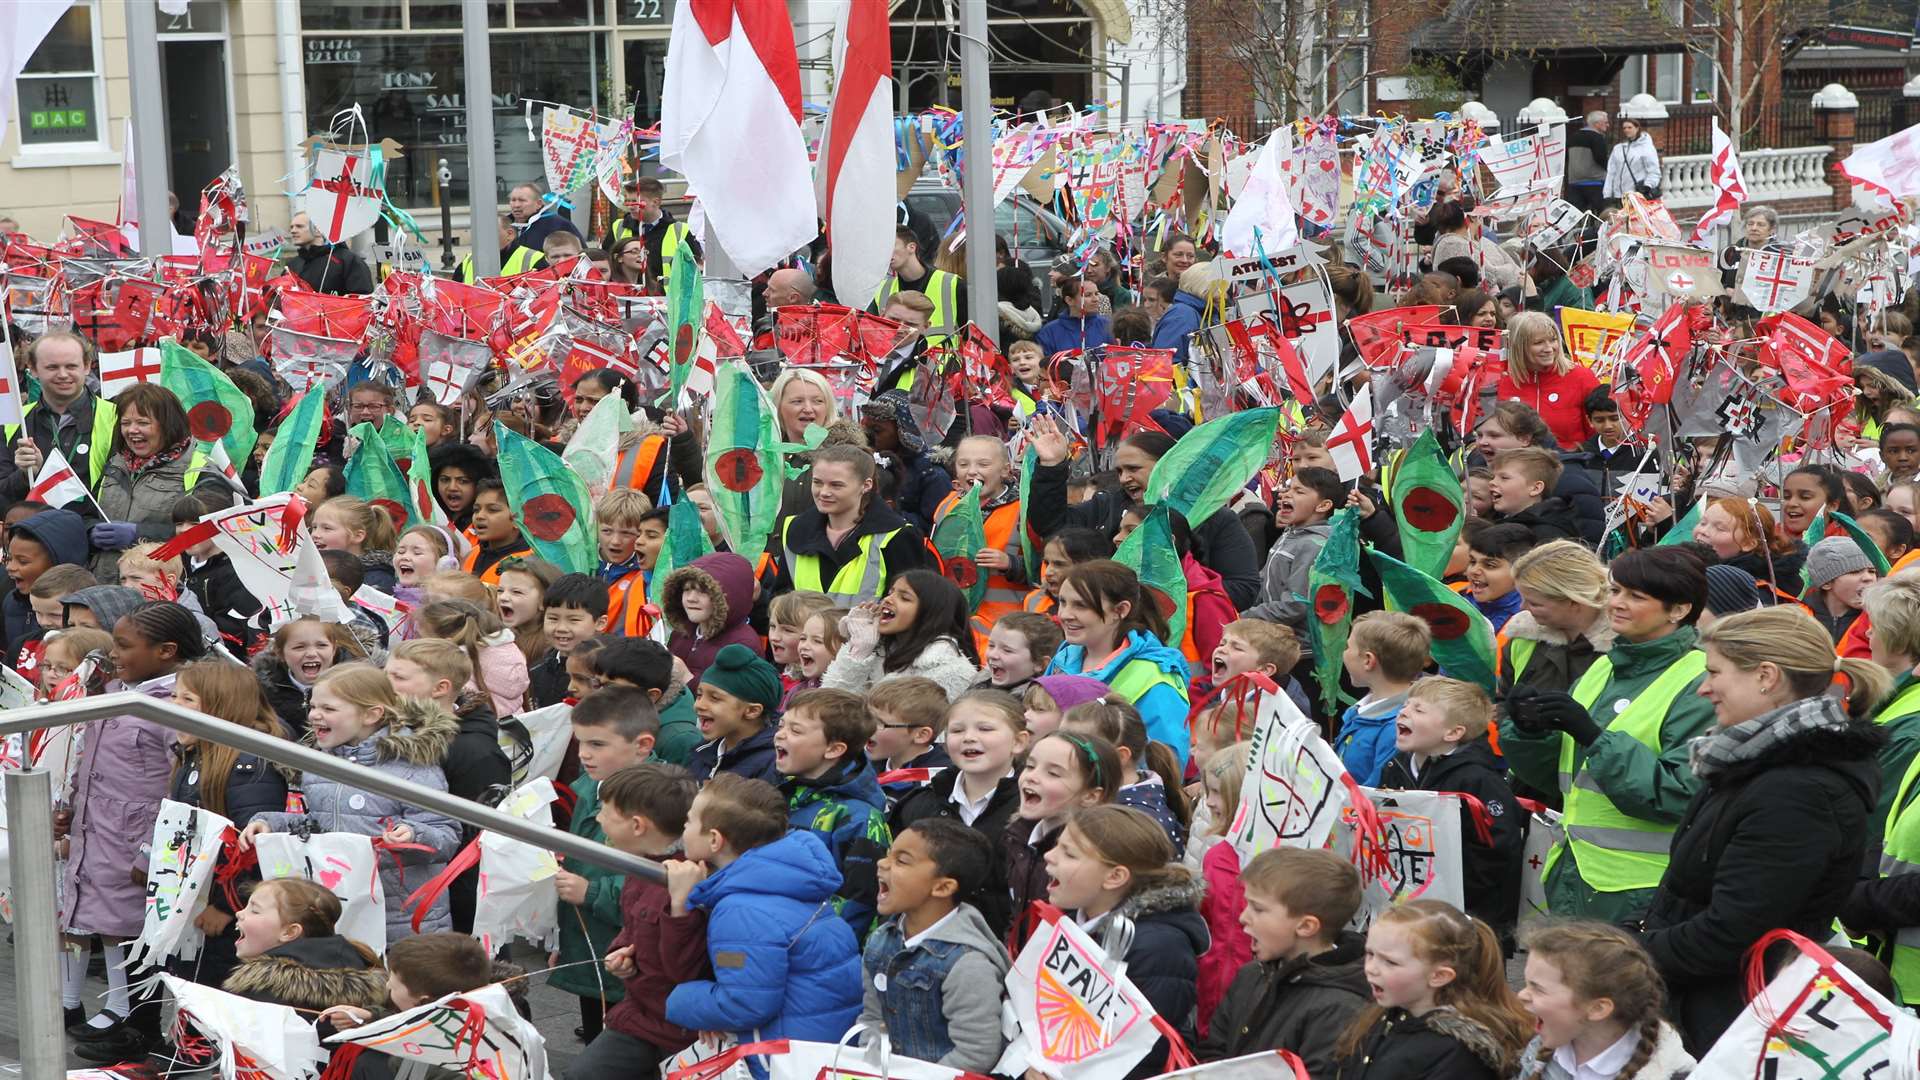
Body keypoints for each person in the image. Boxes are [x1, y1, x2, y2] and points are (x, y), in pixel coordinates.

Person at [1642, 606, 1888, 1051]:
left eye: (1715, 672)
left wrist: (1622, 952)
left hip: (1734, 1023)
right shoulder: (1751, 763)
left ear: (1766, 677)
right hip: (1708, 1008)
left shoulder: (1799, 790)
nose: (1703, 688)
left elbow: (1732, 934)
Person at [1500, 547, 1715, 922]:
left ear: (1678, 610)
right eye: (1615, 591)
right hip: (1575, 875)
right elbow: (1558, 779)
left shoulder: (1699, 680)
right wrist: (1528, 732)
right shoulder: (1602, 669)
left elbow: (1679, 794)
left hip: (1647, 890)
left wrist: (1595, 738)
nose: (1617, 603)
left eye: (1636, 596)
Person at [61, 602, 206, 1064]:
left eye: (124, 645)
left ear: (166, 651)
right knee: (105, 918)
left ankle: (139, 1022)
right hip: (97, 825)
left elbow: (177, 777)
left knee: (135, 926)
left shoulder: (172, 706)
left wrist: (152, 845)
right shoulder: (118, 691)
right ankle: (122, 1012)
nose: (113, 651)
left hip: (135, 832)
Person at [240, 664, 464, 941]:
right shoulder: (320, 763)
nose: (314, 715)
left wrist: (412, 835)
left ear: (371, 714)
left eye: (329, 709)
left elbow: (446, 833)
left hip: (400, 917)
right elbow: (322, 826)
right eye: (312, 706)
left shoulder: (412, 767)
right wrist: (271, 824)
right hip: (343, 906)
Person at [663, 773, 866, 1041]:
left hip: (784, 1056)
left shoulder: (742, 912)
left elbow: (744, 1004)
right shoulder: (790, 881)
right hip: (820, 1041)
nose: (684, 827)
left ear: (714, 840)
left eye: (689, 821)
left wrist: (678, 999)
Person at [1026, 416, 1263, 609]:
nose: (1124, 479)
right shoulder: (1107, 505)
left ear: (1167, 466)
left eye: (1133, 469)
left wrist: (1169, 586)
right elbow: (1051, 526)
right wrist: (1052, 467)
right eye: (1119, 471)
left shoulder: (1215, 518)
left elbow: (1244, 589)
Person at [1044, 805, 1208, 1078]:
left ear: (1114, 877)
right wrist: (1034, 1061)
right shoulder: (1072, 915)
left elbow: (1147, 1051)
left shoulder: (1159, 948)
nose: (1049, 856)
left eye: (1069, 853)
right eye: (1057, 846)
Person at [571, 763, 706, 1079]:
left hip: (681, 1027)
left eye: (606, 812)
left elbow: (683, 969)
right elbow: (632, 923)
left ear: (637, 825)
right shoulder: (642, 866)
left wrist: (681, 907)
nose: (599, 819)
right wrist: (623, 951)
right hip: (642, 1013)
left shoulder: (687, 878)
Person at [857, 818, 1009, 1070]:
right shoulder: (880, 941)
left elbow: (976, 1053)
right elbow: (872, 1018)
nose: (882, 863)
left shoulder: (968, 964)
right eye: (888, 854)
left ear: (942, 887)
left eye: (901, 860)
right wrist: (872, 1066)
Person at [1379, 678, 1523, 941]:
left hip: (1468, 916)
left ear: (1453, 733)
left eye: (1418, 710)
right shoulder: (1396, 766)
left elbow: (1498, 850)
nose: (1404, 712)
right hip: (1411, 900)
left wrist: (1450, 889)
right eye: (1406, 705)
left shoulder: (1478, 780)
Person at [1200, 847, 1369, 1071]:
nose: (1243, 917)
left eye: (1258, 909)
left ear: (1306, 926)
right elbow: (1214, 1051)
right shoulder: (1251, 975)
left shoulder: (1340, 1008)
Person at [1330, 901, 1533, 1079]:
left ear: (1439, 976)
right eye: (1370, 954)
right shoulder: (1385, 1014)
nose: (1371, 968)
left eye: (1390, 962)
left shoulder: (1457, 1054)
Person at [1045, 561, 1194, 768]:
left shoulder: (1155, 676)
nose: (1065, 614)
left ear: (1120, 610)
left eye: (1080, 605)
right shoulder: (1064, 657)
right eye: (1062, 602)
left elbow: (1165, 763)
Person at [772, 688, 891, 938]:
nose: (780, 735)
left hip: (816, 950)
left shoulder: (860, 818)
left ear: (833, 750)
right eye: (781, 725)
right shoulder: (779, 795)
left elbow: (858, 903)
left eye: (795, 731)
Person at [1514, 922, 1696, 1079]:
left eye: (1537, 988)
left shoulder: (1673, 1073)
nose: (1520, 995)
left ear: (1598, 1008)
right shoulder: (1542, 1050)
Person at [90, 384, 234, 583]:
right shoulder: (114, 463)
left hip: (160, 590)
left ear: (168, 425)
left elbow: (209, 531)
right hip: (103, 584)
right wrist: (90, 530)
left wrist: (138, 534)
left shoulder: (201, 469)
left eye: (142, 422)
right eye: (125, 423)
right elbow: (87, 510)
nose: (132, 430)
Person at [768, 443, 928, 606]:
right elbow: (781, 598)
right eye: (817, 482)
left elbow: (910, 608)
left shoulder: (898, 536)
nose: (823, 492)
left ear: (866, 485)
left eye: (836, 485)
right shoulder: (795, 528)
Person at [0, 330, 117, 506]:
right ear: (33, 369)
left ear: (86, 366)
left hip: (93, 530)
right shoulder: (12, 421)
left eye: (71, 366)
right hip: (30, 530)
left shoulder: (116, 416)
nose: (63, 374)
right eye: (52, 367)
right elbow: (3, 495)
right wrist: (25, 475)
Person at [825, 571, 982, 701]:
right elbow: (827, 705)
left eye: (904, 598)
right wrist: (859, 649)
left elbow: (894, 722)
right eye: (890, 592)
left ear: (931, 614)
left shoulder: (950, 669)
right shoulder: (877, 652)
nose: (887, 599)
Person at [1499, 541, 1615, 705]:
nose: (1522, 608)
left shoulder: (1626, 647)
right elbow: (1503, 700)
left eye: (1534, 603)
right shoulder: (1523, 636)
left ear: (1574, 600)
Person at [1337, 612, 1431, 785]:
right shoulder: (1360, 710)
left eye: (1347, 647)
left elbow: (1377, 796)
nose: (1344, 652)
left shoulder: (1398, 729)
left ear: (1368, 660)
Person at [1497, 313, 1601, 449]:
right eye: (1538, 343)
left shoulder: (1581, 377)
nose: (1549, 348)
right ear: (1519, 346)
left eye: (1553, 340)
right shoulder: (1501, 380)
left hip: (1569, 464)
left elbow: (1598, 434)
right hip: (1515, 463)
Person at [685, 643, 783, 782]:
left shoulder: (771, 765)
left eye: (715, 698)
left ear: (752, 711)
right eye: (699, 695)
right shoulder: (703, 750)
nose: (699, 705)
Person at [871, 226, 964, 347]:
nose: (884, 252)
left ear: (912, 247)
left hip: (939, 364)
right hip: (891, 364)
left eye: (890, 245)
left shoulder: (952, 283)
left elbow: (973, 336)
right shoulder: (881, 289)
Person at [604, 177, 700, 292]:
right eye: (628, 201)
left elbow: (694, 270)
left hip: (667, 302)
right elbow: (605, 262)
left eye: (636, 201)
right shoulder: (618, 227)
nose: (630, 206)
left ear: (655, 202)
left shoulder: (680, 230)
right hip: (627, 298)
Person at [285, 212, 373, 295]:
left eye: (299, 226)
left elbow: (361, 298)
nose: (293, 231)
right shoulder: (293, 264)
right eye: (291, 227)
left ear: (318, 230)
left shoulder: (348, 260)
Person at [1034, 276, 1114, 358]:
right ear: (1069, 300)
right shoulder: (1049, 332)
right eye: (1087, 295)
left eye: (1096, 294)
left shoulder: (1108, 326)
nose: (1095, 299)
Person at [1149, 263, 1213, 365]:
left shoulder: (1196, 312)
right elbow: (1165, 365)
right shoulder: (1182, 316)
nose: (1225, 295)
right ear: (1204, 288)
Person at [1604, 117, 1662, 200]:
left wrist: (1648, 186)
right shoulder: (1618, 148)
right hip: (1619, 195)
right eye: (1624, 128)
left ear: (1637, 128)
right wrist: (1607, 193)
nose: (1626, 130)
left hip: (1636, 196)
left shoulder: (1646, 148)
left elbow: (1654, 171)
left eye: (1629, 127)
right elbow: (1611, 172)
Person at [1565, 111, 1611, 213]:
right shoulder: (1597, 137)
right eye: (1606, 122)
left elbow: (1566, 157)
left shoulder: (1573, 136)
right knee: (1601, 214)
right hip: (1595, 181)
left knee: (1576, 214)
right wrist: (1609, 170)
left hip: (1574, 181)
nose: (1608, 125)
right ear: (1597, 123)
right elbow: (1601, 158)